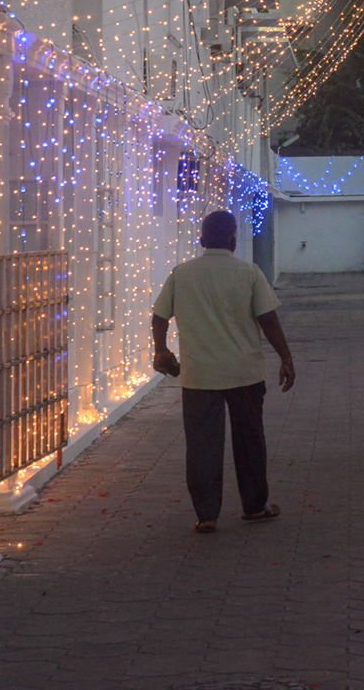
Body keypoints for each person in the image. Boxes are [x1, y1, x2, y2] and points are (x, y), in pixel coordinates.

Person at [153, 210, 294, 533]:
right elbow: (268, 320)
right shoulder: (249, 272)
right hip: (244, 373)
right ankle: (254, 507)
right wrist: (286, 358)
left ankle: (206, 515)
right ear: (233, 238)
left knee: (202, 446)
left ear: (202, 239)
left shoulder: (181, 274)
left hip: (199, 375)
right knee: (250, 442)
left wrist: (161, 349)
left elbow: (159, 317)